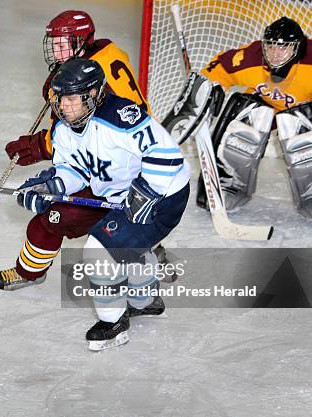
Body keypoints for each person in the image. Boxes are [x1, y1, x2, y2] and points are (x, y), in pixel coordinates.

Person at [16, 58, 189, 350]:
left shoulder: (122, 118)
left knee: (98, 251)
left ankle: (113, 322)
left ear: (94, 94)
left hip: (165, 194)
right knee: (125, 244)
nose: (64, 107)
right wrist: (52, 186)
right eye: (59, 99)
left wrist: (147, 191)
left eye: (72, 99)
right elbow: (76, 169)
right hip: (121, 196)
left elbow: (168, 156)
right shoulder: (64, 128)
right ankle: (145, 301)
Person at [0, 10, 151, 291]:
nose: (57, 50)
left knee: (76, 223)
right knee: (53, 218)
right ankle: (30, 272)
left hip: (121, 169)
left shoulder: (90, 83)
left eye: (64, 43)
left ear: (83, 41)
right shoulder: (102, 58)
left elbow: (80, 132)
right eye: (54, 43)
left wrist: (40, 145)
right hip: (110, 162)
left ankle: (144, 279)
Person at [193, 17, 312, 216]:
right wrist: (208, 89)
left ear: (297, 48)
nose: (274, 54)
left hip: (301, 113)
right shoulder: (252, 57)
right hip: (264, 110)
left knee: (301, 126)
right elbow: (218, 67)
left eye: (283, 48)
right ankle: (228, 184)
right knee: (243, 108)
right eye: (271, 46)